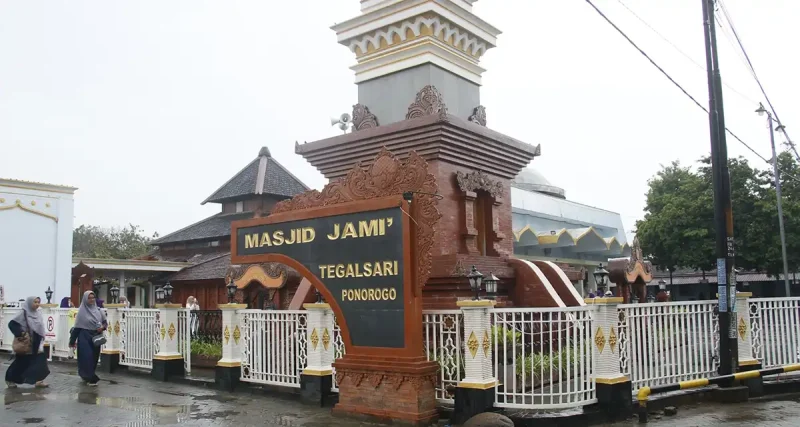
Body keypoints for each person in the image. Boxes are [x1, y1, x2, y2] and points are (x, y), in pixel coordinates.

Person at [5, 296, 50, 388]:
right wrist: (21, 333)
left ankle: (39, 380)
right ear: (30, 303)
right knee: (21, 363)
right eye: (35, 302)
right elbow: (12, 324)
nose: (37, 304)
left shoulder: (38, 313)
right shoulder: (23, 313)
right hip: (26, 342)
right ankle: (10, 379)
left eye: (38, 302)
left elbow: (40, 327)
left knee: (40, 361)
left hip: (37, 341)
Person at [69, 291, 107, 386]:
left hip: (95, 337)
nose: (91, 300)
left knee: (94, 358)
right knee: (86, 357)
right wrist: (72, 342)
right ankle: (91, 378)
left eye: (93, 297)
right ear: (85, 299)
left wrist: (102, 328)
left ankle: (87, 376)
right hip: (84, 337)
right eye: (89, 298)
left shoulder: (99, 311)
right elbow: (77, 328)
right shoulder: (81, 312)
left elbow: (105, 323)